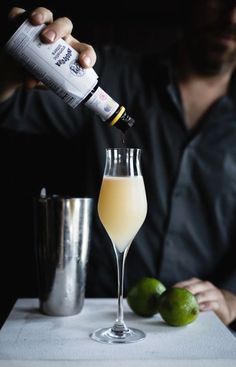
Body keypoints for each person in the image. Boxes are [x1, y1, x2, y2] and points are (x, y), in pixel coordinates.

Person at [0, 0, 236, 330]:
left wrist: (232, 298)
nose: (232, 17)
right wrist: (10, 69)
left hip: (199, 324)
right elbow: (10, 108)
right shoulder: (110, 74)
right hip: (85, 321)